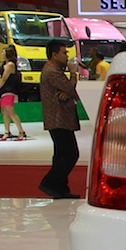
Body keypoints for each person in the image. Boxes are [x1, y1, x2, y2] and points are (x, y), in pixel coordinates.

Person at [38, 40, 82, 199]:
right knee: (70, 153)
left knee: (61, 154)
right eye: (64, 52)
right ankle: (50, 182)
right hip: (58, 118)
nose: (67, 56)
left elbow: (68, 91)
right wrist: (73, 73)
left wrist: (68, 92)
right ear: (54, 54)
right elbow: (71, 88)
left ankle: (60, 188)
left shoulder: (54, 70)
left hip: (59, 118)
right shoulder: (52, 72)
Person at [0, 45, 27, 141]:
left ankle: (21, 131)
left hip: (9, 90)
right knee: (5, 111)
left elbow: (4, 78)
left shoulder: (10, 65)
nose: (2, 54)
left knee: (10, 111)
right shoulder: (4, 64)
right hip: (3, 91)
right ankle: (7, 132)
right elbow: (0, 77)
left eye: (3, 52)